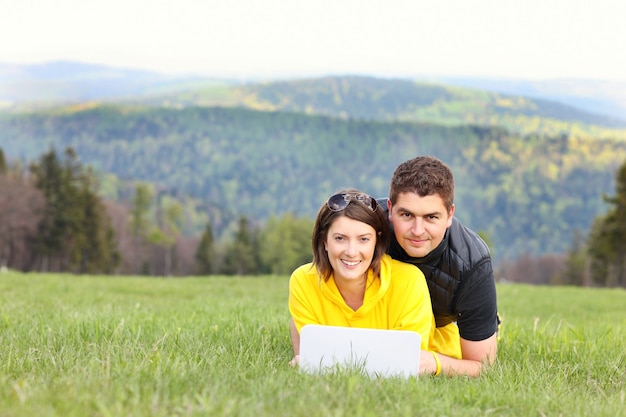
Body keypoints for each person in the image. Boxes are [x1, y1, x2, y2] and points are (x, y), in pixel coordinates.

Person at [288, 189, 460, 375]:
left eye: (363, 239)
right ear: (325, 242)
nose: (351, 251)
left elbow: (405, 362)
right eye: (340, 239)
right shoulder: (303, 280)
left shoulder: (409, 280)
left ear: (376, 242)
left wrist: (324, 361)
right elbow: (314, 357)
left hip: (447, 348)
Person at [380, 155, 500, 377]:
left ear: (449, 215)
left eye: (431, 217)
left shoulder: (473, 263)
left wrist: (434, 363)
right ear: (390, 209)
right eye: (406, 215)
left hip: (440, 326)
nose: (417, 230)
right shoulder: (363, 230)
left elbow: (484, 366)